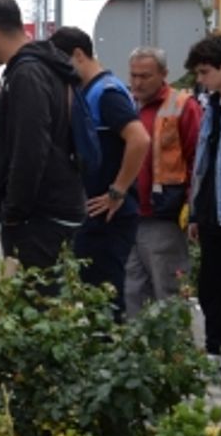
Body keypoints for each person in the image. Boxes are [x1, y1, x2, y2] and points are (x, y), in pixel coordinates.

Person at [0, 0, 85, 271]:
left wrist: (12, 213)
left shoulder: (27, 74)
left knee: (38, 305)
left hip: (39, 219)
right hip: (52, 209)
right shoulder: (45, 66)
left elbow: (29, 150)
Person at [49, 26, 150, 317]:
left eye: (61, 63)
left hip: (109, 214)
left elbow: (139, 139)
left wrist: (117, 191)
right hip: (96, 213)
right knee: (97, 296)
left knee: (106, 298)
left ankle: (111, 355)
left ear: (78, 55)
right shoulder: (89, 91)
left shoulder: (106, 93)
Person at [124, 46, 202, 317]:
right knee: (132, 293)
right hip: (132, 214)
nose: (137, 82)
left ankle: (176, 356)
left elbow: (196, 162)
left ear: (164, 74)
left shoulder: (181, 106)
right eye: (133, 75)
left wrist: (192, 210)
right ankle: (140, 356)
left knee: (168, 293)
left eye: (145, 76)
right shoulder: (128, 105)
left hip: (164, 216)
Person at [186, 34, 221, 367]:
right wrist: (193, 212)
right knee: (210, 285)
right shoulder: (211, 106)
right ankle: (215, 349)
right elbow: (202, 164)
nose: (201, 80)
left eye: (205, 72)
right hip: (209, 211)